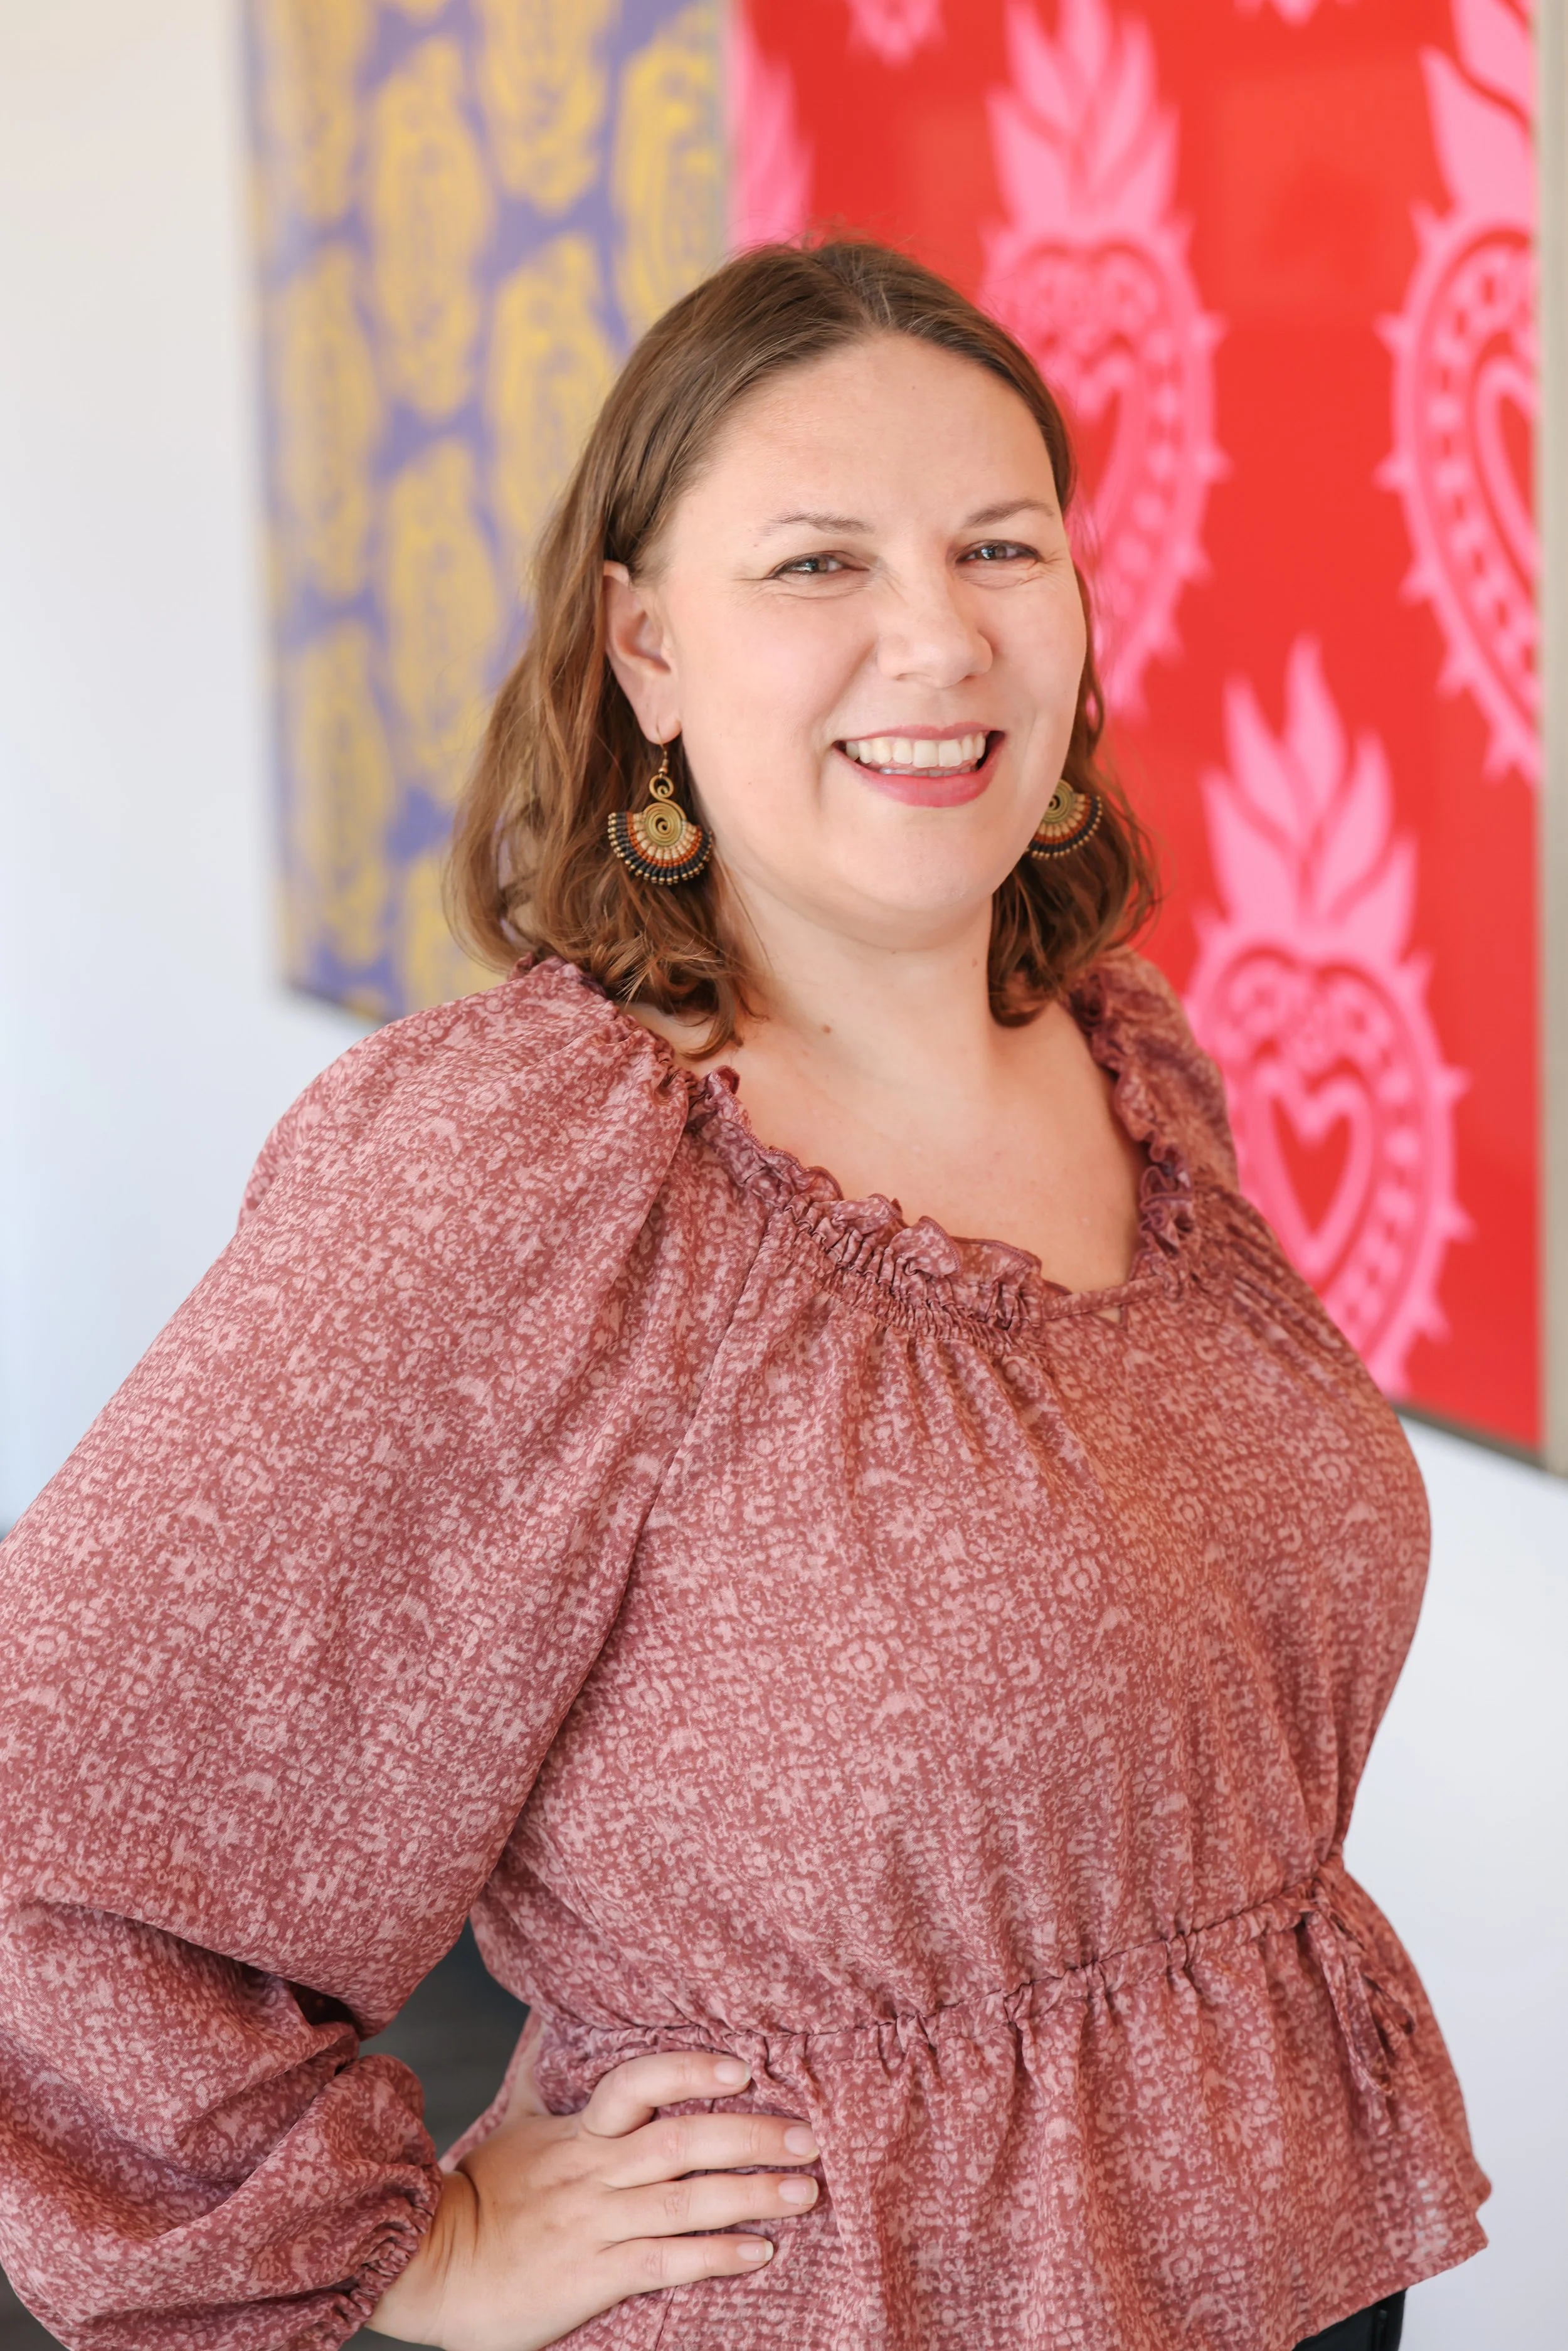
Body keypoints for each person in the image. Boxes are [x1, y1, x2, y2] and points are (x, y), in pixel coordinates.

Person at [0, 240, 1485, 2351]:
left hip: (1296, 2270)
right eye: (813, 563)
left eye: (1000, 543)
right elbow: (50, 1799)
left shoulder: (1131, 1066)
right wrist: (411, 2248)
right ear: (646, 646)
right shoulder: (531, 1166)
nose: (934, 634)